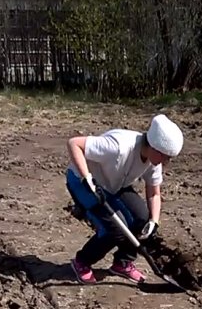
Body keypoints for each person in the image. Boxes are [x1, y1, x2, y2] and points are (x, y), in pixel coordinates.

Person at [65, 114, 184, 285]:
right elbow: (74, 143)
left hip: (114, 184)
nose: (167, 162)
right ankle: (82, 261)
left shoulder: (153, 162)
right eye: (166, 157)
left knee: (141, 218)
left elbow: (154, 193)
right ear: (154, 147)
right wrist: (87, 178)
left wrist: (154, 221)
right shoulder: (118, 146)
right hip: (82, 182)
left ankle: (122, 263)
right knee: (115, 229)